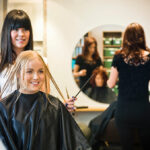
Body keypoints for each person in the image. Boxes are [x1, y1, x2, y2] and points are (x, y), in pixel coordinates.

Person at [0, 50, 91, 150]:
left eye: (41, 71)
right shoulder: (4, 108)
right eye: (29, 71)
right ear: (18, 73)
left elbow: (75, 144)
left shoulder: (55, 106)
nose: (36, 77)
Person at [0, 9, 75, 112]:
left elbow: (45, 99)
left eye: (25, 29)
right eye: (16, 29)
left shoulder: (41, 62)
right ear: (7, 31)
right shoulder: (1, 63)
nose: (21, 34)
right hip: (6, 122)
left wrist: (61, 108)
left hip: (35, 122)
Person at [107, 23, 150, 150]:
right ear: (142, 37)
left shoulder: (119, 57)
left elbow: (111, 83)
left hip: (124, 110)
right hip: (144, 110)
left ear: (126, 37)